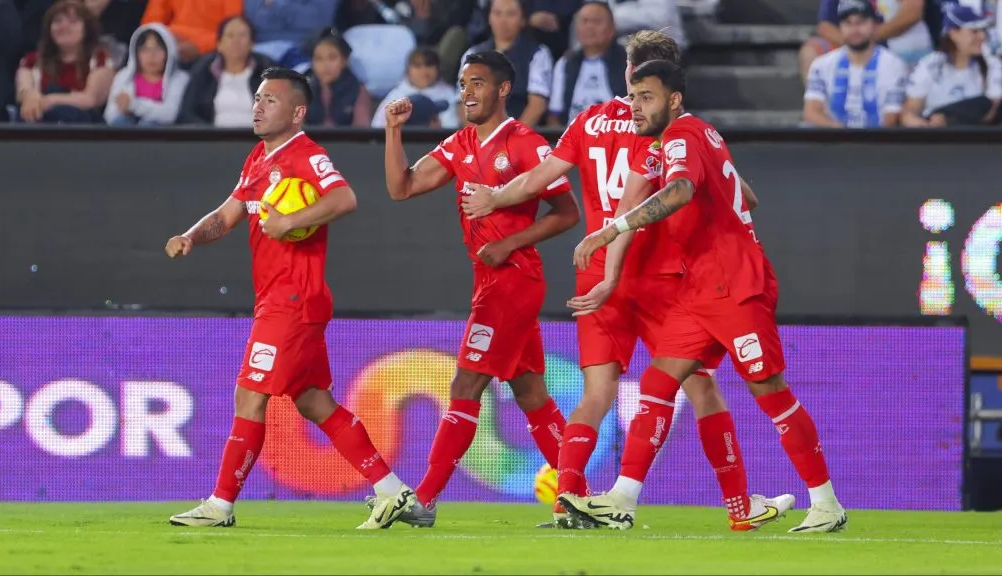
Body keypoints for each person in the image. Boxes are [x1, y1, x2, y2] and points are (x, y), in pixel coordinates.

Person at [461, 30, 780, 532]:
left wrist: (495, 198)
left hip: (597, 267)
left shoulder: (588, 120)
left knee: (596, 394)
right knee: (701, 390)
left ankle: (569, 501)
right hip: (664, 273)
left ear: (626, 67)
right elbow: (736, 196)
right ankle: (740, 506)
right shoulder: (668, 128)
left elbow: (541, 177)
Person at [562, 59, 848, 534]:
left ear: (674, 99)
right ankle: (622, 499)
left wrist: (613, 227)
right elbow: (745, 196)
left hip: (735, 284)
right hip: (700, 288)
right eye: (632, 97)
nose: (635, 106)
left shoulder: (681, 137)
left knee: (769, 391)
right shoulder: (698, 137)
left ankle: (826, 503)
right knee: (657, 385)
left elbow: (678, 190)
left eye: (647, 97)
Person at [165, 67, 415, 530]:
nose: (258, 106)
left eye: (271, 100)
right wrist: (191, 236)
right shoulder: (258, 159)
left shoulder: (307, 154)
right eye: (257, 98)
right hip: (284, 300)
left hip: (292, 300)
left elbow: (345, 199)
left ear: (297, 112)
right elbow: (228, 213)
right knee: (314, 402)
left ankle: (219, 505)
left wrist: (290, 220)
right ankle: (392, 490)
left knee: (249, 395)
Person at [382, 50, 580, 527]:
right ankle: (577, 498)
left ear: (502, 90)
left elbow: (567, 212)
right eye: (463, 82)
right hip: (490, 278)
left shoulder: (527, 143)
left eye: (476, 83)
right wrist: (392, 131)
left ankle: (424, 499)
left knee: (465, 384)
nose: (466, 92)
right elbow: (401, 187)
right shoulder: (459, 143)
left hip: (512, 279)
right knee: (531, 393)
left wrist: (509, 241)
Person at [803, 0, 910, 128]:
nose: (855, 29)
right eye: (848, 23)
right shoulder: (821, 65)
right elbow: (811, 112)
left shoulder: (894, 66)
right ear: (840, 27)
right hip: (834, 139)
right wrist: (840, 132)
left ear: (874, 25)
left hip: (878, 140)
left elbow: (891, 118)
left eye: (861, 22)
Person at [15, 0, 116, 124]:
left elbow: (91, 99)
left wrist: (49, 100)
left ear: (86, 29)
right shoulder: (32, 61)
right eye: (58, 21)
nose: (64, 26)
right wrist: (30, 96)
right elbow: (23, 91)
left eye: (73, 21)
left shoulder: (100, 59)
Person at [902, 4, 1002, 127]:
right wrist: (927, 126)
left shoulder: (991, 63)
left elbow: (992, 111)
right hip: (937, 139)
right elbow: (908, 113)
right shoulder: (930, 65)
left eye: (983, 31)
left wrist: (950, 120)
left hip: (975, 139)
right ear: (953, 33)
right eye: (974, 31)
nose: (982, 36)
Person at [459, 0, 554, 126]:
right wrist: (480, 139)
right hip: (479, 138)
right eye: (497, 13)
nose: (503, 21)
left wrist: (511, 139)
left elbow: (537, 105)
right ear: (489, 17)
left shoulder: (538, 54)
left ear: (523, 20)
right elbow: (462, 103)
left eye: (510, 14)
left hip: (519, 136)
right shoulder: (472, 54)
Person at [178, 15, 273, 126]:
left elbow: (280, 112)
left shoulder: (267, 72)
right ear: (219, 44)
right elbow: (187, 113)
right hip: (213, 140)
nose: (236, 41)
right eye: (230, 35)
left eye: (242, 35)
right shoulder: (203, 71)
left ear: (252, 44)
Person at [104, 23, 189, 125]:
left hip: (161, 135)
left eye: (158, 49)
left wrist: (134, 105)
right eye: (145, 50)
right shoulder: (124, 76)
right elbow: (110, 114)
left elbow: (170, 114)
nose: (151, 56)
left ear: (169, 52)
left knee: (148, 125)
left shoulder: (180, 79)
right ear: (136, 54)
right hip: (126, 129)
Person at [373, 47, 458, 129]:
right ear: (408, 70)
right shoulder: (395, 96)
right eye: (418, 66)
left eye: (429, 65)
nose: (424, 71)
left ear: (438, 68)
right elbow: (378, 130)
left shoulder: (450, 95)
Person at [304, 28, 372, 128]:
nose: (325, 65)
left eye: (332, 58)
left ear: (344, 61)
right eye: (319, 59)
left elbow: (362, 134)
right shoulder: (303, 91)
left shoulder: (358, 91)